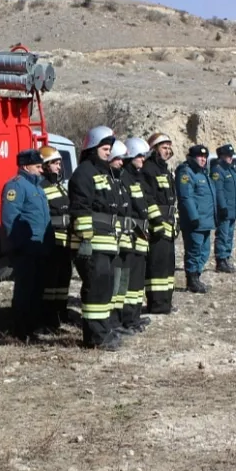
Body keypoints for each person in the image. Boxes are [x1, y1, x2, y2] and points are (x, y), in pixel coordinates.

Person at [69, 126, 123, 351]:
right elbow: (80, 208)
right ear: (92, 148)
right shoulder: (84, 173)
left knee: (105, 289)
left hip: (106, 243)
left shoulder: (103, 173)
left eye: (109, 149)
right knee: (96, 289)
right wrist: (86, 241)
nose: (108, 153)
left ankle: (103, 330)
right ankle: (95, 338)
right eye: (104, 148)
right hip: (92, 245)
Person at [1, 148, 53, 341]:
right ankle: (21, 331)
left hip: (40, 247)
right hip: (26, 249)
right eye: (37, 166)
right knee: (25, 290)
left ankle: (32, 326)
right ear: (25, 167)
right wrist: (21, 246)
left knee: (37, 289)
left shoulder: (37, 188)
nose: (41, 170)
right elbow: (10, 219)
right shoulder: (16, 186)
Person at [140, 132, 179, 315]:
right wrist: (157, 222)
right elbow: (148, 198)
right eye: (164, 147)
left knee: (168, 266)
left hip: (169, 225)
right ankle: (156, 304)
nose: (167, 151)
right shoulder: (148, 169)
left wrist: (175, 221)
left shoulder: (165, 170)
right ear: (154, 149)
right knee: (157, 267)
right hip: (157, 227)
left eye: (169, 147)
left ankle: (166, 302)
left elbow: (172, 200)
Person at [174, 144, 220, 293]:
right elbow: (186, 197)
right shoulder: (186, 172)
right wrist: (193, 217)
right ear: (192, 157)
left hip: (206, 221)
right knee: (194, 251)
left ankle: (197, 277)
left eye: (205, 157)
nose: (203, 159)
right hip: (194, 222)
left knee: (204, 251)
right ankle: (192, 280)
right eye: (200, 156)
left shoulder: (203, 173)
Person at [39, 145, 72, 332]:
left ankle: (61, 311)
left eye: (59, 163)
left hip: (65, 241)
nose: (59, 166)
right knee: (51, 281)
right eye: (55, 163)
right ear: (45, 165)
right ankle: (48, 316)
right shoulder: (42, 187)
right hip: (52, 242)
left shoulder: (59, 186)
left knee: (63, 278)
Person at [122, 137, 152, 330]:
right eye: (140, 156)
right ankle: (128, 319)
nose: (143, 159)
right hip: (132, 236)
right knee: (130, 281)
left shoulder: (136, 178)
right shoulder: (125, 178)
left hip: (141, 236)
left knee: (137, 281)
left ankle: (135, 316)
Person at [107, 139, 137, 336]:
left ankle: (118, 319)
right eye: (117, 159)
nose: (121, 163)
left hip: (124, 238)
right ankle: (111, 321)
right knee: (113, 282)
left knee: (122, 282)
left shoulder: (120, 181)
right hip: (111, 240)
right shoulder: (108, 181)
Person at [210, 144, 236, 273]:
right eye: (228, 156)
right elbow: (218, 191)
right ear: (221, 156)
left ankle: (226, 258)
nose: (230, 158)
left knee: (229, 235)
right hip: (224, 209)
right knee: (223, 235)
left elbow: (234, 191)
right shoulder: (218, 170)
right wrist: (222, 207)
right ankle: (221, 260)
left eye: (231, 156)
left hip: (232, 209)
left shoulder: (230, 169)